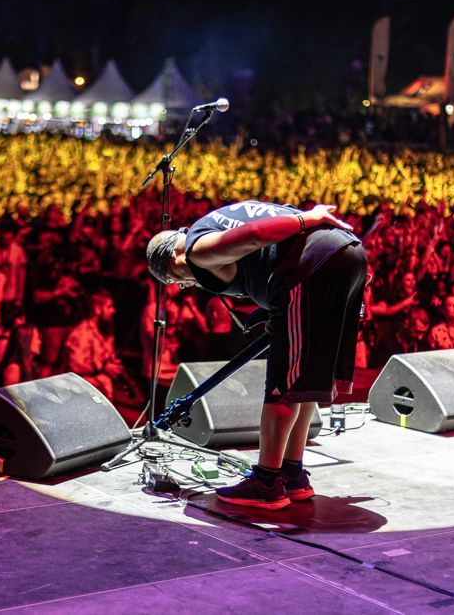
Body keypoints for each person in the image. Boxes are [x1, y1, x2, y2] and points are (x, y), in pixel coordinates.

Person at [146, 200, 364, 510]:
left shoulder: (195, 248)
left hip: (311, 260)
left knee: (283, 383)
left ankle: (266, 482)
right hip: (346, 253)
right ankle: (292, 474)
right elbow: (261, 254)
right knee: (302, 377)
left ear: (172, 259)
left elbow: (255, 236)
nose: (183, 286)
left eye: (172, 279)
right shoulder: (218, 219)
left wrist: (307, 218)